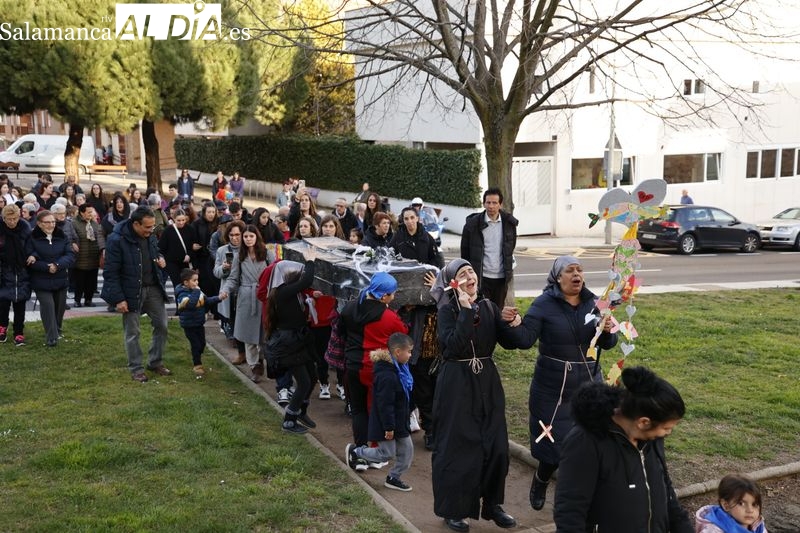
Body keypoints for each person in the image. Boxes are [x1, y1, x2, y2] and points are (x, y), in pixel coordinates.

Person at [429, 258, 527, 532]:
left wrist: (514, 323)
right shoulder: (447, 311)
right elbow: (454, 346)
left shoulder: (488, 307)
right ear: (453, 283)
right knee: (459, 447)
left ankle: (493, 504)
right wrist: (464, 311)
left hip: (487, 382)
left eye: (471, 271)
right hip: (457, 384)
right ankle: (454, 510)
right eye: (462, 274)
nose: (470, 277)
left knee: (496, 446)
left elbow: (512, 342)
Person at [514, 255, 618, 511]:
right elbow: (525, 339)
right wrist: (512, 324)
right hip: (552, 389)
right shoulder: (543, 304)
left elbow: (609, 343)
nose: (576, 275)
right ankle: (541, 479)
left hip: (588, 387)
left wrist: (607, 331)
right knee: (553, 446)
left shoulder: (596, 304)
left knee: (589, 445)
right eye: (570, 270)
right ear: (557, 277)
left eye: (580, 270)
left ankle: (578, 499)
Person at [553, 366, 693, 533]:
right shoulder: (585, 442)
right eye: (666, 428)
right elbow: (570, 510)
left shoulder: (652, 439)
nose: (668, 433)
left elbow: (665, 489)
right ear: (644, 422)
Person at [340, 272, 408, 456]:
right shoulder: (389, 317)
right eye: (393, 293)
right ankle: (375, 451)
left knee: (358, 410)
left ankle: (360, 449)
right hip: (375, 370)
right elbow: (403, 335)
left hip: (352, 367)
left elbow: (341, 331)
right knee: (376, 410)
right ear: (384, 296)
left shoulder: (349, 308)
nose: (394, 296)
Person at [101, 207, 171, 383]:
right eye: (147, 227)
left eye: (153, 226)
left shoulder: (150, 235)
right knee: (133, 332)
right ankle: (136, 368)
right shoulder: (116, 240)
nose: (151, 230)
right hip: (130, 291)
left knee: (162, 326)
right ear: (136, 224)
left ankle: (155, 362)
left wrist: (160, 258)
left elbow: (155, 252)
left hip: (153, 288)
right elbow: (110, 272)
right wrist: (119, 299)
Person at [345, 332, 415, 492]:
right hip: (386, 423)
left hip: (400, 421)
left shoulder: (400, 369)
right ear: (398, 352)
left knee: (407, 451)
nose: (411, 355)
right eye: (409, 351)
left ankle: (393, 478)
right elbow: (385, 404)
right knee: (386, 453)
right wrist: (389, 428)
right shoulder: (387, 376)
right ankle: (357, 452)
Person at [261, 250, 319, 434]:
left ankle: (301, 410)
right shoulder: (283, 291)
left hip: (297, 339)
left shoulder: (290, 291)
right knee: (303, 383)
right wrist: (310, 261)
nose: (300, 275)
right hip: (289, 344)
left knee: (313, 377)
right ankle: (289, 420)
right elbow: (307, 280)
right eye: (296, 273)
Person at [219, 225, 270, 382]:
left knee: (264, 334)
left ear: (257, 237)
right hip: (246, 298)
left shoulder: (267, 253)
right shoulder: (239, 256)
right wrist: (225, 290)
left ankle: (261, 359)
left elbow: (275, 273)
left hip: (264, 298)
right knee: (248, 335)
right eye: (246, 236)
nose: (248, 239)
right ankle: (254, 366)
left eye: (251, 236)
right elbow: (233, 278)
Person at [460, 188, 518, 308]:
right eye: (488, 202)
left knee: (498, 311)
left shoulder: (509, 223)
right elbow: (465, 252)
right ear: (484, 204)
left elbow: (510, 247)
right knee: (482, 311)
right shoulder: (472, 224)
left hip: (501, 278)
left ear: (500, 204)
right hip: (481, 278)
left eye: (494, 203)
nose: (491, 206)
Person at [28, 210, 75, 347]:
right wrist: (46, 267)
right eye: (47, 222)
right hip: (41, 280)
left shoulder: (62, 236)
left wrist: (57, 265)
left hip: (60, 278)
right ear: (39, 224)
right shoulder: (32, 237)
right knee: (48, 306)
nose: (51, 225)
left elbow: (70, 255)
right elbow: (29, 258)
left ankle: (57, 330)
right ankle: (51, 337)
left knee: (59, 309)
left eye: (53, 222)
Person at [176, 268, 221, 377]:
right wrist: (196, 291)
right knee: (195, 344)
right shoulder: (182, 294)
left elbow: (207, 301)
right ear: (186, 282)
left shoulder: (198, 291)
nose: (197, 283)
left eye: (197, 280)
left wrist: (219, 298)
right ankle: (197, 365)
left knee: (202, 344)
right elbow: (191, 304)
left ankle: (196, 355)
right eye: (194, 280)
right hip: (189, 325)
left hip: (199, 323)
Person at [213, 220, 246, 364]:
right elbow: (216, 272)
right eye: (232, 235)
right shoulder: (222, 250)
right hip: (229, 290)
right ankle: (240, 351)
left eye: (237, 235)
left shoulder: (248, 248)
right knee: (233, 319)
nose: (234, 238)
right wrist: (224, 268)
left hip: (245, 289)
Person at [0, 204, 34, 346]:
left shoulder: (25, 229)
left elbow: (32, 246)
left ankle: (19, 332)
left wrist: (33, 255)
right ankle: (2, 327)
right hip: (4, 271)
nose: (12, 222)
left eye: (15, 218)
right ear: (3, 218)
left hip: (22, 271)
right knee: (3, 304)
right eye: (9, 219)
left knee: (20, 305)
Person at [695, 474, 768, 533]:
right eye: (741, 503)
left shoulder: (757, 525)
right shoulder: (714, 530)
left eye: (754, 504)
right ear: (726, 505)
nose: (750, 510)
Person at [71, 204, 104, 307]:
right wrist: (72, 244)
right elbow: (70, 237)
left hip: (93, 257)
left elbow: (100, 238)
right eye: (89, 212)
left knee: (91, 281)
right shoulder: (74, 223)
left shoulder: (95, 223)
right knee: (80, 281)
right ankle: (77, 300)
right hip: (80, 257)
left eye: (92, 212)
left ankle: (88, 300)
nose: (91, 214)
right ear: (82, 213)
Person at [158, 209, 197, 295]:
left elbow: (193, 245)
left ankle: (187, 302)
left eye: (183, 220)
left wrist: (189, 255)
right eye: (178, 220)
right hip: (172, 263)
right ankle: (179, 302)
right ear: (174, 219)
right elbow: (161, 247)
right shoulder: (168, 230)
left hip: (185, 263)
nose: (181, 222)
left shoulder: (190, 229)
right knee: (177, 285)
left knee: (187, 285)